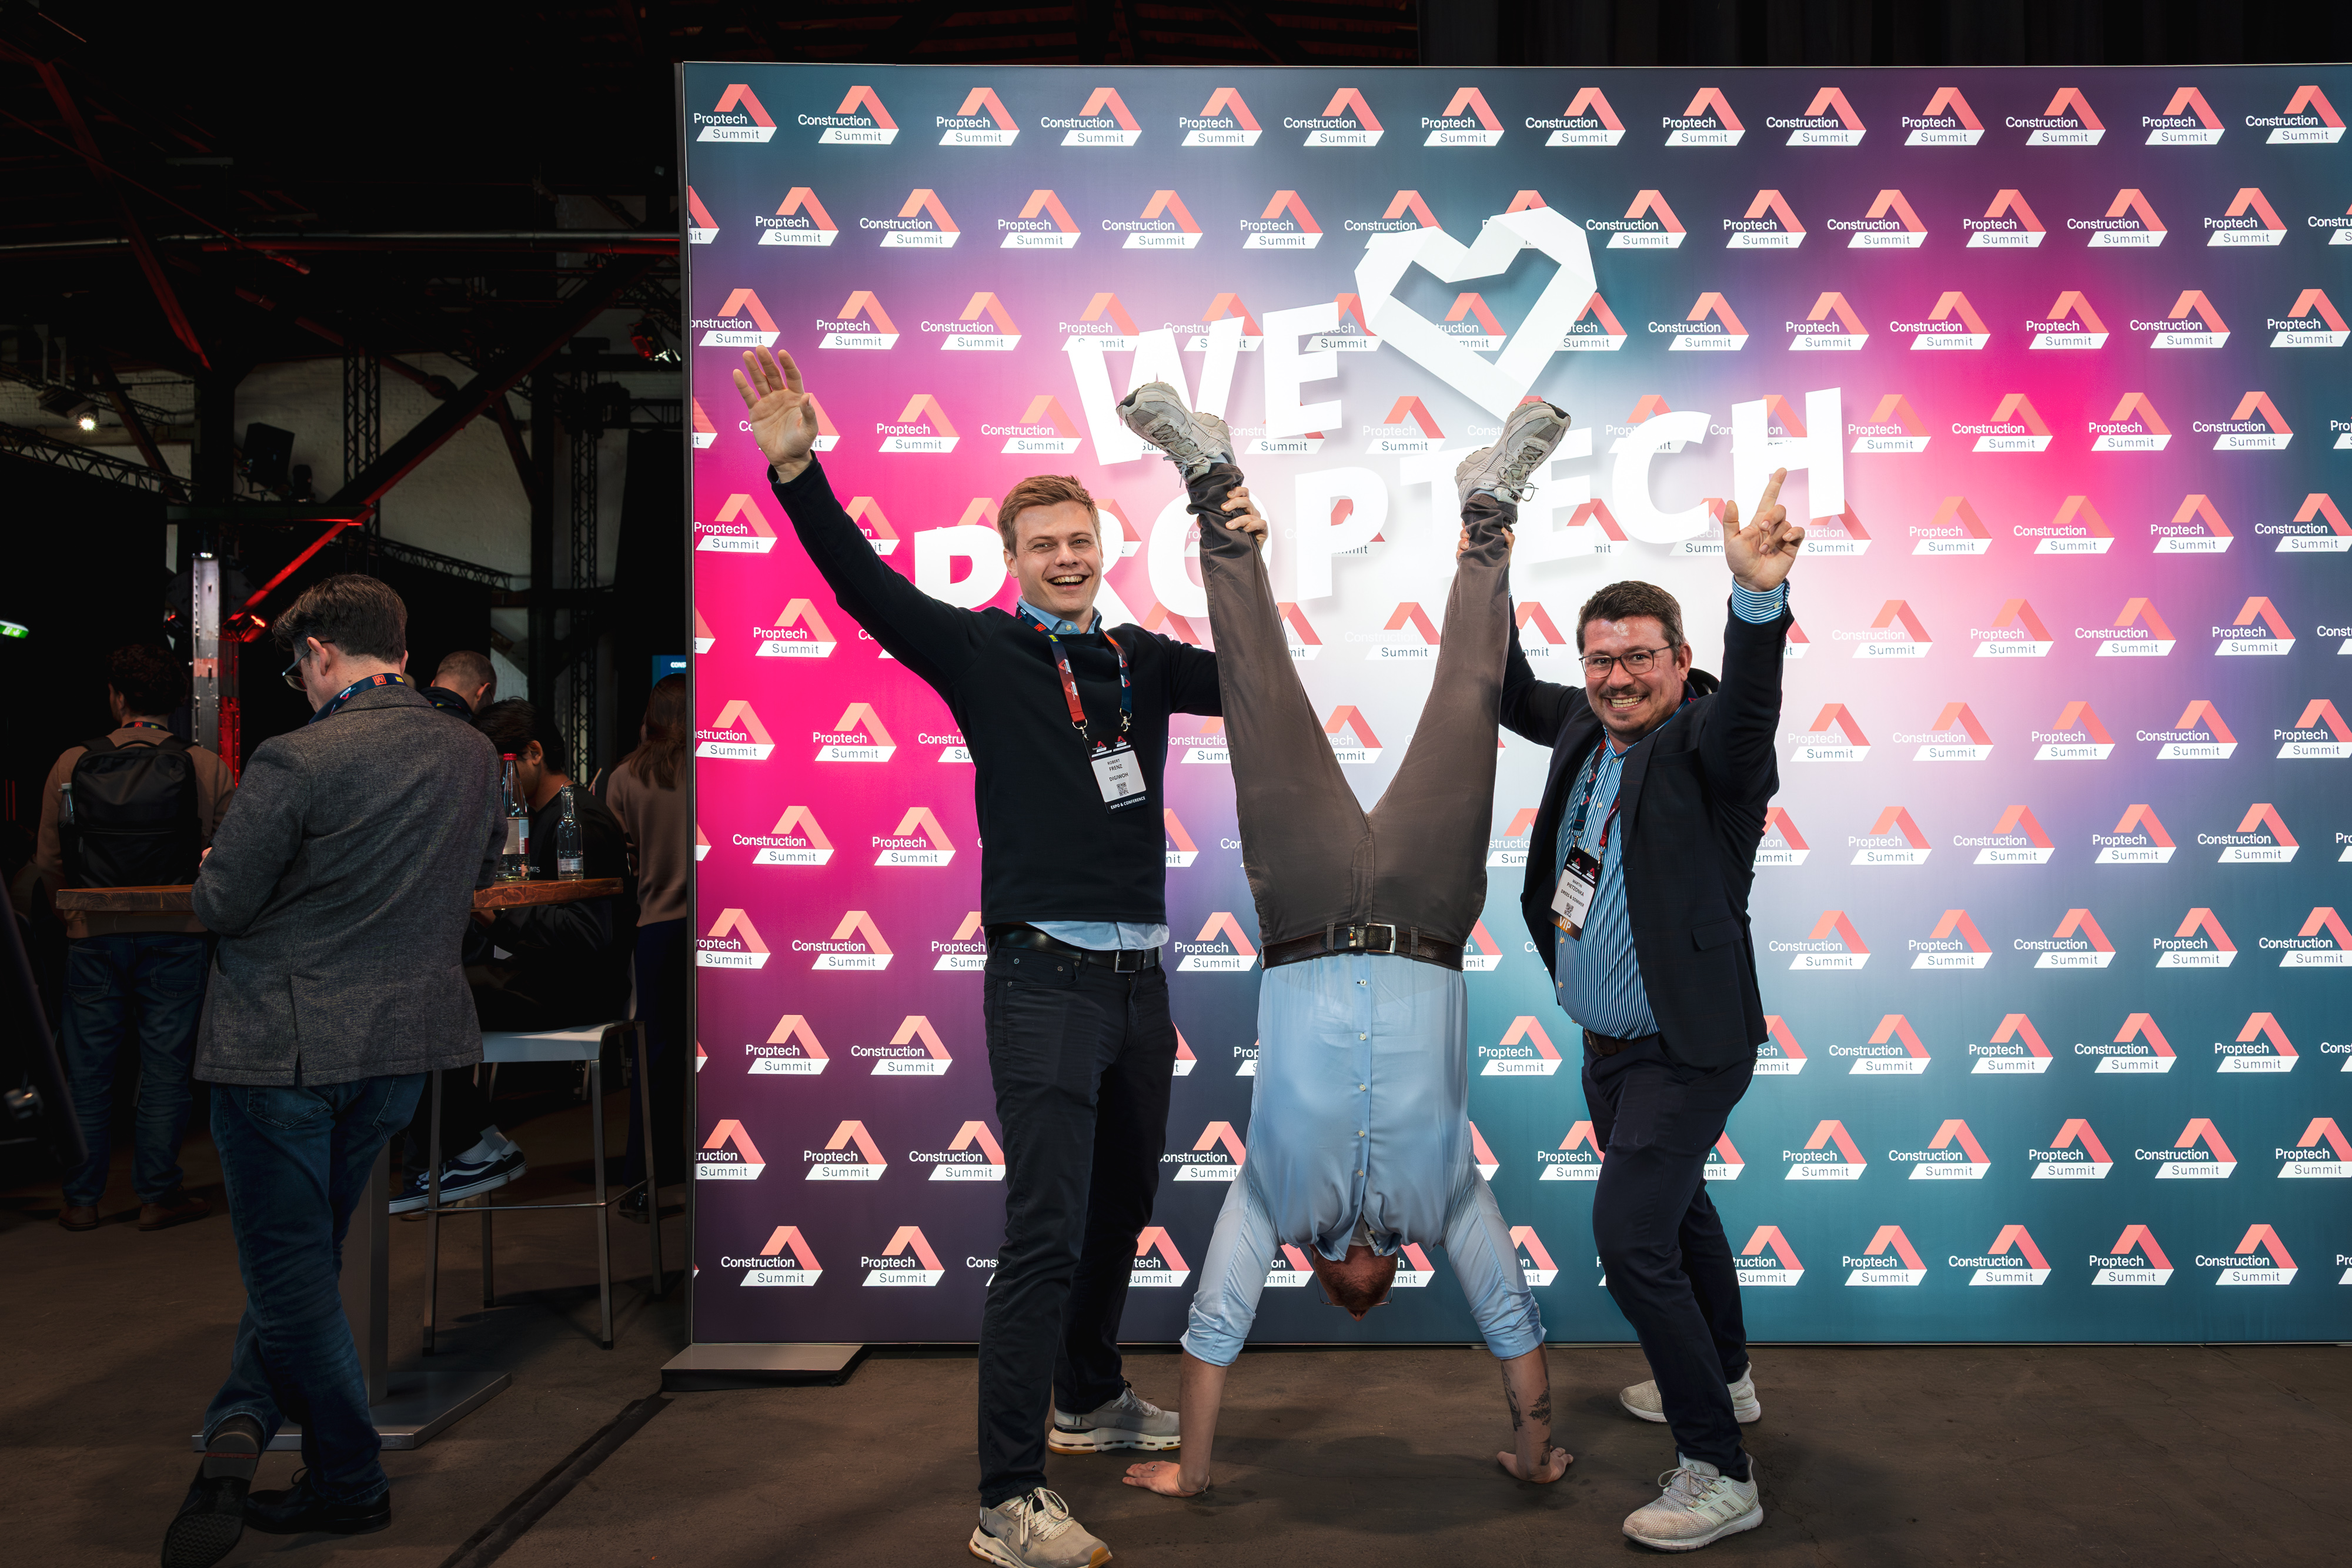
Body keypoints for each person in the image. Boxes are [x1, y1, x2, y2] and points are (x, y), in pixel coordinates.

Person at [736, 344, 1221, 1568]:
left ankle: (1086, 1396)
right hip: (1045, 978)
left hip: (1139, 980)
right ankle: (1007, 1497)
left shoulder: (1145, 661)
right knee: (1047, 1230)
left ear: (1104, 549)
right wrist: (797, 469)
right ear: (1013, 560)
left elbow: (1264, 681)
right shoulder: (983, 652)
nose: (1066, 557)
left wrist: (1232, 520)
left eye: (1080, 541)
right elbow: (861, 586)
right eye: (1043, 544)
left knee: (1122, 1207)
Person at [1112, 388, 1573, 1503]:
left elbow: (1214, 1327)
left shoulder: (1269, 1201)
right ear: (1382, 1274)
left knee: (1256, 697)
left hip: (1305, 909)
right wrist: (1531, 1448)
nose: (1358, 1287)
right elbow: (1510, 1316)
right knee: (1470, 696)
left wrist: (1196, 1470)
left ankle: (1213, 488)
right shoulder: (1447, 1201)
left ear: (1321, 1276)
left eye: (1344, 1291)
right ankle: (1491, 505)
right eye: (1369, 1290)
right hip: (1427, 910)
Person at [163, 574, 500, 1567]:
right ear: (400, 646)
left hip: (282, 1047)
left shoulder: (295, 757)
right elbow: (479, 876)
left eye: (297, 667)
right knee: (305, 1265)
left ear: (320, 653)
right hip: (398, 1050)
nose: (300, 684)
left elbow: (222, 902)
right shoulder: (472, 753)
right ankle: (241, 1424)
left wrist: (220, 867)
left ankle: (348, 1476)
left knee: (291, 1274)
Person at [1499, 472, 1802, 1553]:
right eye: (1601, 659)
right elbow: (1504, 686)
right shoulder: (1585, 727)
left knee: (1631, 1239)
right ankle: (1728, 1374)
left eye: (1639, 657)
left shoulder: (1712, 744)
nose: (1618, 677)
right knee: (1678, 1215)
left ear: (1680, 661)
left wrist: (1756, 598)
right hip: (1613, 1048)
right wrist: (1483, 554)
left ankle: (1719, 1467)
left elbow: (1750, 711)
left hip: (1686, 1047)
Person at [389, 699, 633, 1212]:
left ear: (534, 754)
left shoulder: (579, 820)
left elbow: (590, 934)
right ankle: (474, 1143)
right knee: (423, 991)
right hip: (541, 979)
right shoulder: (538, 819)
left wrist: (500, 917)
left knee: (420, 1000)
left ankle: (466, 1149)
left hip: (574, 991)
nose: (493, 786)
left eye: (501, 769)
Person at [34, 643, 233, 1232]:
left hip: (94, 935)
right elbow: (230, 858)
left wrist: (76, 916)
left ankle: (81, 1199)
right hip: (178, 936)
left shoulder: (72, 763)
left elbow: (48, 861)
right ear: (177, 701)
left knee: (88, 1072)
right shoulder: (205, 765)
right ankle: (158, 1195)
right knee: (166, 1071)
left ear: (117, 697)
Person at [604, 673, 690, 1223]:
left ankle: (646, 1181)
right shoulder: (715, 767)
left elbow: (620, 860)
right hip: (722, 931)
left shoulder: (624, 777)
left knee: (654, 1057)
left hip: (657, 928)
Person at [422, 648, 497, 720]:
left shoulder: (415, 709)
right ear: (482, 692)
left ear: (433, 683)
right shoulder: (473, 728)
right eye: (492, 700)